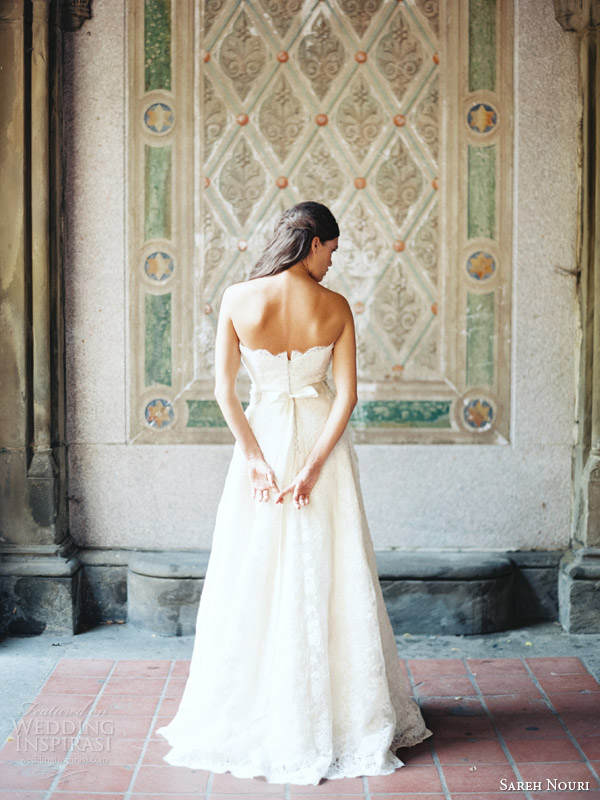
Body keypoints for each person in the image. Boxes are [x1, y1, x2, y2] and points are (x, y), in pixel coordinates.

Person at [157, 201, 433, 786]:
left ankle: (255, 709)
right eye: (332, 250)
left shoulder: (237, 297)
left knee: (252, 572)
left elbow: (223, 392)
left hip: (260, 443)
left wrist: (258, 461)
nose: (333, 262)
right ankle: (337, 717)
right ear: (312, 243)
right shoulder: (334, 308)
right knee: (328, 571)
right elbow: (346, 397)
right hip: (316, 446)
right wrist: (310, 469)